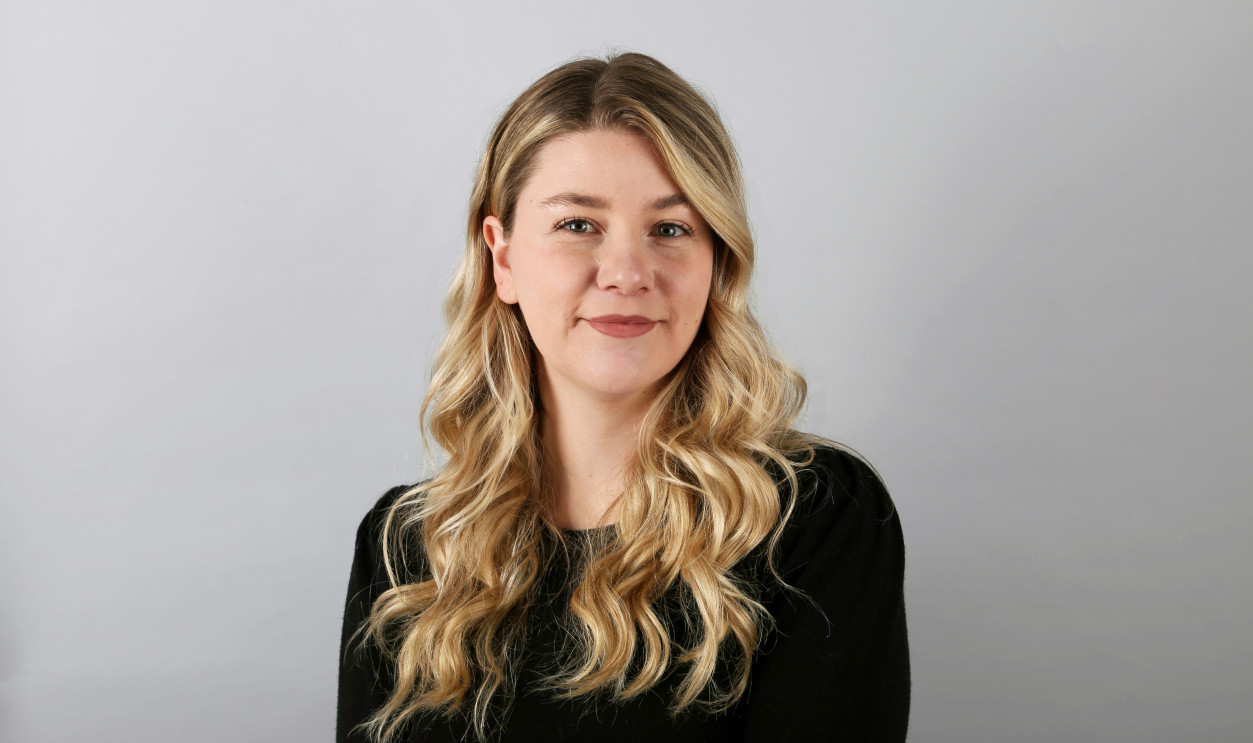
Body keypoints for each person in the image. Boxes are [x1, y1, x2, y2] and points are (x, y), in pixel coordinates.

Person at [337, 52, 909, 742]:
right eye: (578, 225)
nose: (627, 273)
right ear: (503, 257)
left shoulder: (815, 519)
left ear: (717, 259)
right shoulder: (406, 548)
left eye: (671, 229)